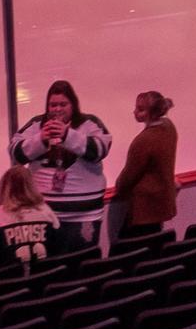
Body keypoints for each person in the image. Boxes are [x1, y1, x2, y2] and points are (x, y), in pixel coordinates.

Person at [11, 80, 113, 248]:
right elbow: (15, 152)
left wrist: (67, 135)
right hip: (44, 216)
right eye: (53, 105)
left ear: (73, 104)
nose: (57, 109)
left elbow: (101, 149)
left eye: (63, 104)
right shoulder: (37, 125)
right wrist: (40, 140)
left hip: (84, 217)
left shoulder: (90, 123)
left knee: (81, 265)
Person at [113, 91, 180, 238]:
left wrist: (119, 186)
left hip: (144, 208)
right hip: (161, 204)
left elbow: (129, 176)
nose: (135, 112)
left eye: (140, 109)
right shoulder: (169, 127)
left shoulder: (143, 140)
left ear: (152, 113)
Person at [0, 165, 69, 270]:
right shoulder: (48, 214)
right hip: (44, 283)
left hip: (9, 284)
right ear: (32, 186)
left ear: (4, 187)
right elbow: (62, 256)